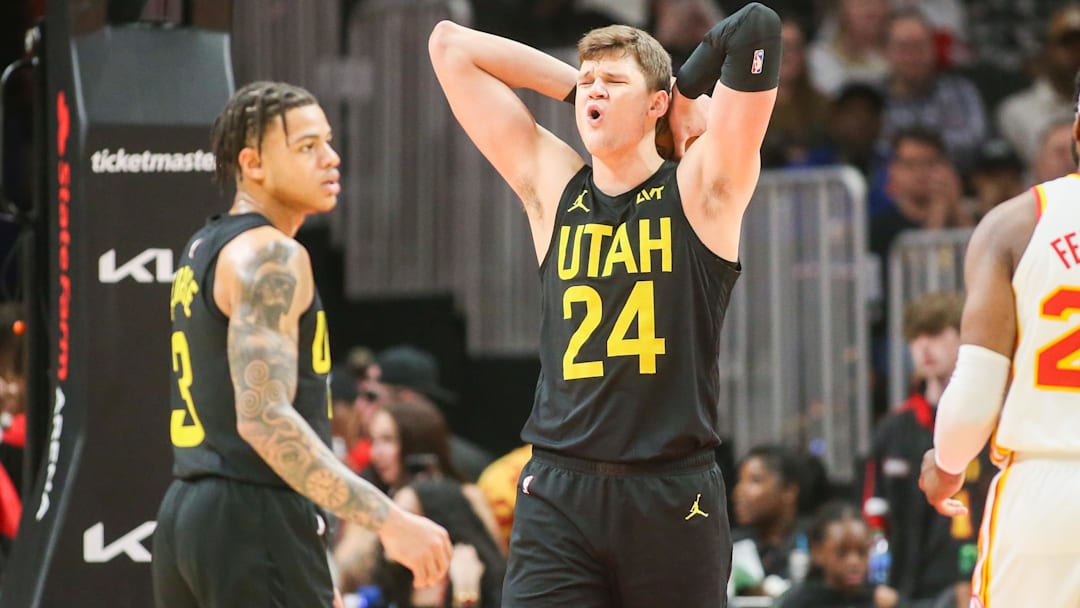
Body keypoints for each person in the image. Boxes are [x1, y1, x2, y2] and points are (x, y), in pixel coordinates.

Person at [429, 2, 781, 604]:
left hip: (672, 492)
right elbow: (449, 45)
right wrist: (584, 90)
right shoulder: (552, 186)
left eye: (614, 82)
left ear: (655, 105)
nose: (594, 90)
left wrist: (686, 88)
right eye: (586, 80)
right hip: (560, 490)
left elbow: (757, 26)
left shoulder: (700, 189)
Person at [151, 81, 452, 608]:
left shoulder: (204, 246)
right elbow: (264, 420)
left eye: (328, 142)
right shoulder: (272, 255)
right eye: (307, 147)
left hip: (189, 514)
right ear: (254, 163)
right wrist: (389, 520)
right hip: (254, 512)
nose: (331, 158)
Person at [920, 70, 1080, 608]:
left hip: (1047, 491)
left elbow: (976, 389)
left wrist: (945, 466)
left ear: (1077, 134)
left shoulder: (1016, 223)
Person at [863, 292, 987, 608]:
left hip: (977, 583)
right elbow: (872, 515)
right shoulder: (893, 428)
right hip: (907, 589)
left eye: (934, 333)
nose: (924, 347)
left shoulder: (989, 419)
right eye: (915, 337)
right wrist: (878, 588)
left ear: (963, 337)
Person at [774, 501, 899, 608]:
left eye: (861, 552)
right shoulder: (799, 602)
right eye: (842, 553)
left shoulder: (882, 600)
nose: (854, 562)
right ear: (817, 552)